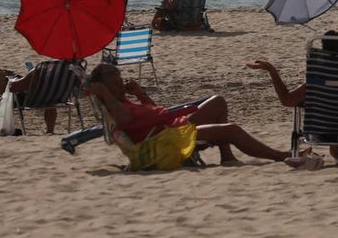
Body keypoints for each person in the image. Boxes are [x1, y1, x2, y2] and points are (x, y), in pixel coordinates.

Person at [86, 64, 290, 165]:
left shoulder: (122, 101)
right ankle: (279, 156)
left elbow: (153, 112)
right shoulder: (115, 107)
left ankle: (227, 157)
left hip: (171, 127)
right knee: (232, 130)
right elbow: (127, 121)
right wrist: (105, 93)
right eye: (115, 84)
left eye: (120, 82)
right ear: (104, 89)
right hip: (167, 139)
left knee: (218, 101)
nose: (120, 86)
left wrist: (140, 94)